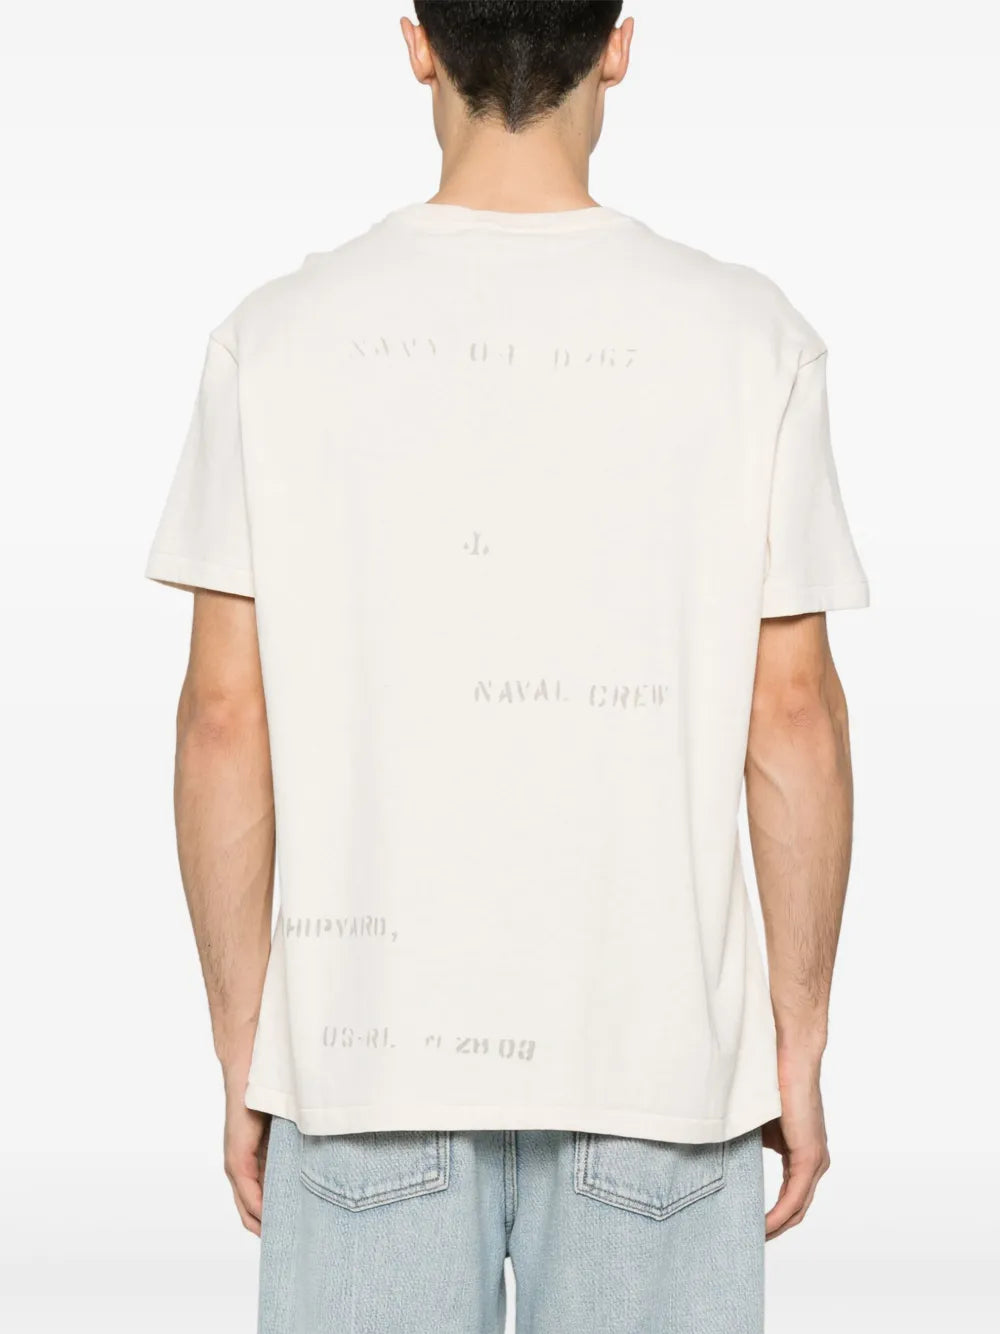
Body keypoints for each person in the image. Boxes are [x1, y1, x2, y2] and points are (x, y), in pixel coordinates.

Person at [145, 3, 868, 1330]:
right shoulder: (751, 339)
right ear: (619, 45)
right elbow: (793, 718)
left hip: (366, 1076)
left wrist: (249, 1043)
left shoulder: (277, 339)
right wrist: (800, 1037)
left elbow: (223, 721)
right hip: (659, 1078)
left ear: (417, 44)